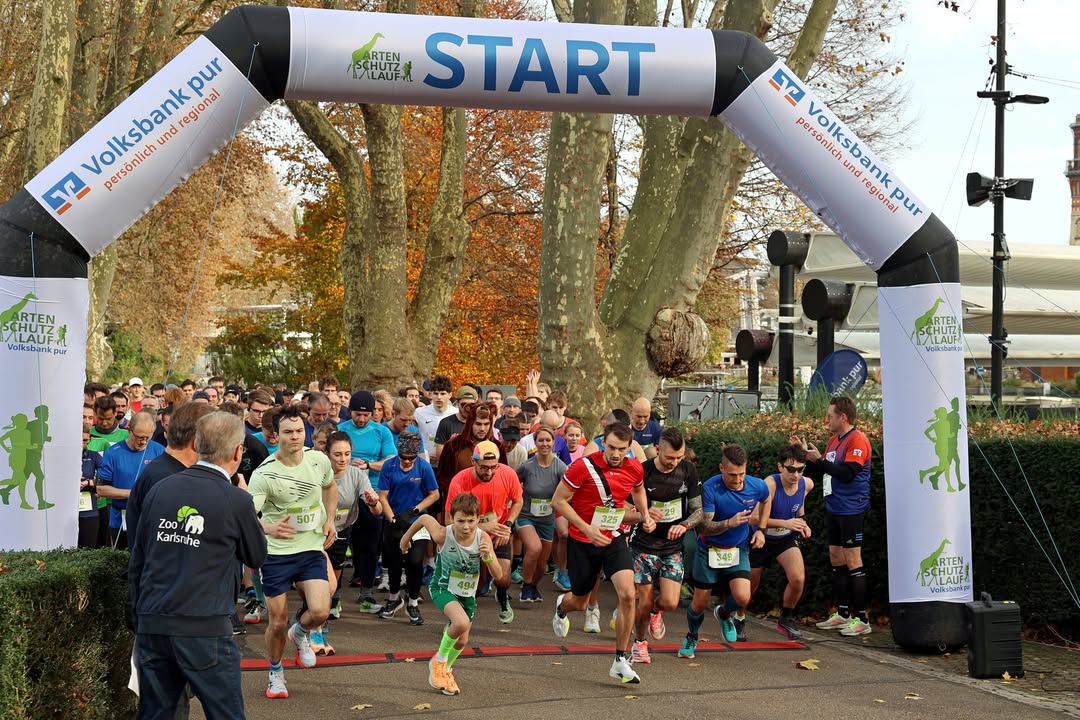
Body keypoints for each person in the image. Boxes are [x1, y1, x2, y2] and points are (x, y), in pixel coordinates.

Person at [128, 411, 267, 720]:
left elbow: (139, 557)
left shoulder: (160, 488)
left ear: (197, 443)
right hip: (204, 627)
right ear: (237, 452)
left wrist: (137, 614)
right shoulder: (236, 500)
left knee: (157, 714)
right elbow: (257, 557)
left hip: (154, 623)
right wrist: (248, 505)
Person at [550, 422, 654, 685]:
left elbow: (639, 490)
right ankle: (562, 607)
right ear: (602, 443)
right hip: (582, 540)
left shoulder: (634, 468)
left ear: (629, 447)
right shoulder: (582, 466)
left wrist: (645, 514)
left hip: (614, 536)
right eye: (611, 447)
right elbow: (558, 501)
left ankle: (620, 660)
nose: (616, 454)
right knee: (579, 602)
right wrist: (586, 527)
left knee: (628, 594)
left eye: (622, 449)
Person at [247, 406, 338, 699]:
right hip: (276, 554)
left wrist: (330, 519)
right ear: (276, 435)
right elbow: (246, 515)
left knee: (320, 611)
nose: (295, 436)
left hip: (310, 547)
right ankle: (275, 672)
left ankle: (299, 633)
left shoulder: (318, 460)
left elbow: (330, 486)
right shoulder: (264, 474)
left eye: (299, 431)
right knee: (277, 621)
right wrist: (268, 527)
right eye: (288, 432)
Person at [401, 492, 501, 697]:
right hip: (442, 588)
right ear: (451, 518)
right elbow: (424, 518)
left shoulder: (482, 538)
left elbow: (499, 575)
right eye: (460, 521)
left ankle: (446, 671)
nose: (466, 527)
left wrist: (488, 558)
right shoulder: (442, 534)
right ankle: (438, 661)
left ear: (478, 519)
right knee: (461, 623)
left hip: (467, 594)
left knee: (462, 641)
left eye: (471, 521)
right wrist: (405, 539)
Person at [678, 444, 768, 660]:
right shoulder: (710, 488)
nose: (738, 480)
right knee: (699, 604)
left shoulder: (757, 485)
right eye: (732, 475)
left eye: (742, 474)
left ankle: (724, 613)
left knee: (743, 597)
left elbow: (767, 499)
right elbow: (703, 527)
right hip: (709, 550)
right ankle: (691, 636)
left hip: (738, 549)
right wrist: (729, 523)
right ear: (721, 468)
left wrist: (762, 530)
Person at [792, 395, 873, 637]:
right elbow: (825, 472)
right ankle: (843, 613)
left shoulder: (858, 440)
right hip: (834, 507)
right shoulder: (833, 441)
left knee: (853, 560)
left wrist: (820, 461)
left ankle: (863, 620)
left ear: (843, 417)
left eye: (830, 416)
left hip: (852, 509)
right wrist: (806, 457)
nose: (827, 420)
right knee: (836, 559)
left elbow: (847, 473)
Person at [626, 427, 701, 664]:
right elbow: (624, 510)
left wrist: (685, 525)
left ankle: (655, 612)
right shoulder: (643, 471)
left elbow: (699, 511)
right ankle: (639, 643)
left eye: (679, 457)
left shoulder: (687, 470)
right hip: (643, 545)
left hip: (672, 547)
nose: (674, 462)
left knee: (670, 602)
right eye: (669, 457)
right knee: (644, 600)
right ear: (658, 449)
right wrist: (643, 516)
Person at [444, 440, 522, 624]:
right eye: (484, 467)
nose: (489, 472)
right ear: (473, 462)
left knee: (503, 579)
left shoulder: (507, 474)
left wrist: (507, 526)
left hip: (499, 533)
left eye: (494, 467)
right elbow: (449, 521)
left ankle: (501, 596)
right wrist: (483, 528)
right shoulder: (460, 481)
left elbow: (518, 501)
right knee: (475, 587)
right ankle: (458, 619)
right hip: (469, 537)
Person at [320, 431, 382, 648]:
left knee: (333, 580)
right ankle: (317, 617)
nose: (343, 459)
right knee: (319, 578)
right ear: (327, 453)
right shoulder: (317, 472)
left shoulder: (356, 474)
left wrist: (373, 502)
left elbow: (377, 510)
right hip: (317, 532)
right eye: (337, 454)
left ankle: (327, 607)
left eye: (347, 454)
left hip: (342, 529)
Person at [749, 443, 814, 640]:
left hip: (784, 539)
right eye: (791, 469)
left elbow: (799, 510)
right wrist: (785, 523)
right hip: (760, 538)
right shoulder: (770, 484)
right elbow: (753, 518)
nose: (796, 474)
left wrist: (803, 524)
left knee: (798, 578)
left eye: (800, 469)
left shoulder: (806, 484)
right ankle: (738, 616)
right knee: (750, 586)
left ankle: (786, 617)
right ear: (780, 467)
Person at [337, 390, 396, 610]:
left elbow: (391, 460)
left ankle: (367, 593)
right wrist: (348, 464)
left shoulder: (381, 431)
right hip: (344, 491)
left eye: (366, 415)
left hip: (371, 490)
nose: (361, 419)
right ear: (350, 411)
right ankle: (334, 597)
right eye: (357, 414)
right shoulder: (341, 430)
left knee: (370, 543)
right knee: (340, 544)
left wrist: (369, 465)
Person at [377, 432, 440, 625]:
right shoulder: (389, 466)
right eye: (403, 458)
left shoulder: (423, 467)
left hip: (418, 520)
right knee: (394, 561)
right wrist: (393, 520)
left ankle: (412, 601)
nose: (407, 462)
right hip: (395, 518)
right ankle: (394, 598)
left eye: (411, 458)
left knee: (415, 560)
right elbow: (383, 497)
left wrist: (414, 510)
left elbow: (434, 494)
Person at [96, 412, 165, 549]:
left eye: (147, 437)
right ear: (129, 430)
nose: (143, 442)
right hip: (120, 517)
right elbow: (100, 489)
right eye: (139, 437)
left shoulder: (159, 451)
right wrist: (132, 493)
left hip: (149, 517)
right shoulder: (113, 452)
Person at [514, 426, 567, 603]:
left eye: (548, 440)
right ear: (535, 443)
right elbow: (512, 484)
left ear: (553, 442)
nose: (544, 444)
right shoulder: (527, 467)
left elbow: (569, 491)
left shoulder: (560, 467)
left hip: (547, 520)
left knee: (542, 564)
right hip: (526, 516)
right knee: (534, 548)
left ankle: (533, 586)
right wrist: (514, 503)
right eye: (541, 440)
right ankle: (526, 585)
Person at [414, 376, 455, 465]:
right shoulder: (419, 413)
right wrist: (425, 455)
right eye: (436, 393)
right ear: (430, 394)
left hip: (448, 464)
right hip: (425, 463)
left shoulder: (456, 413)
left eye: (443, 394)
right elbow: (413, 437)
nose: (439, 397)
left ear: (450, 395)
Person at [79, 424, 101, 548]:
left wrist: (89, 482)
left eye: (86, 441)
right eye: (80, 440)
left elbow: (106, 478)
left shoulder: (94, 456)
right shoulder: (64, 456)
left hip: (89, 511)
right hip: (66, 512)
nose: (83, 444)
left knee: (88, 550)